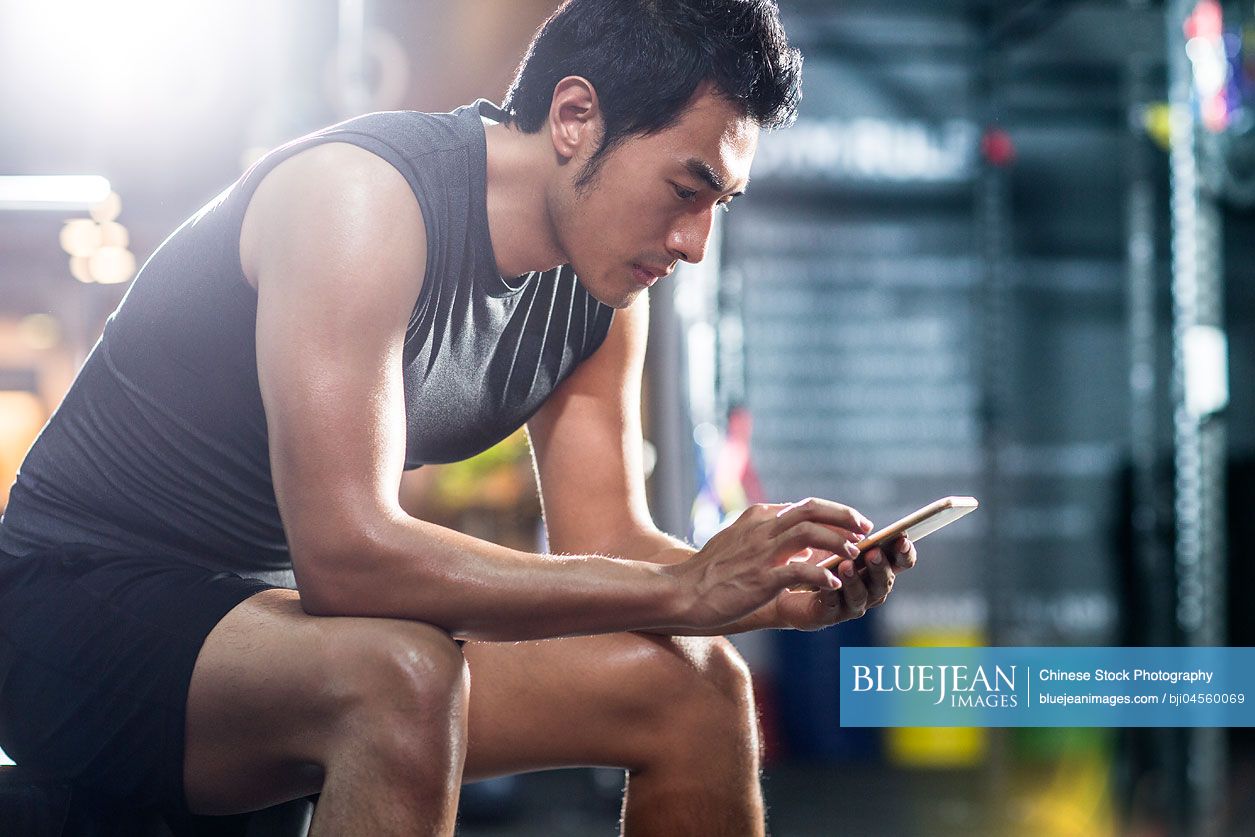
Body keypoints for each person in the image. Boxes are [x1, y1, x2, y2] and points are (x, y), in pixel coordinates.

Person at [0, 1, 918, 834]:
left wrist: (753, 588)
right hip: (69, 609)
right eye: (686, 191)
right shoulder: (361, 198)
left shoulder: (601, 288)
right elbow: (348, 558)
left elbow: (605, 540)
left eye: (718, 204)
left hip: (273, 622)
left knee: (698, 682)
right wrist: (686, 589)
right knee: (402, 674)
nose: (692, 242)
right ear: (574, 118)